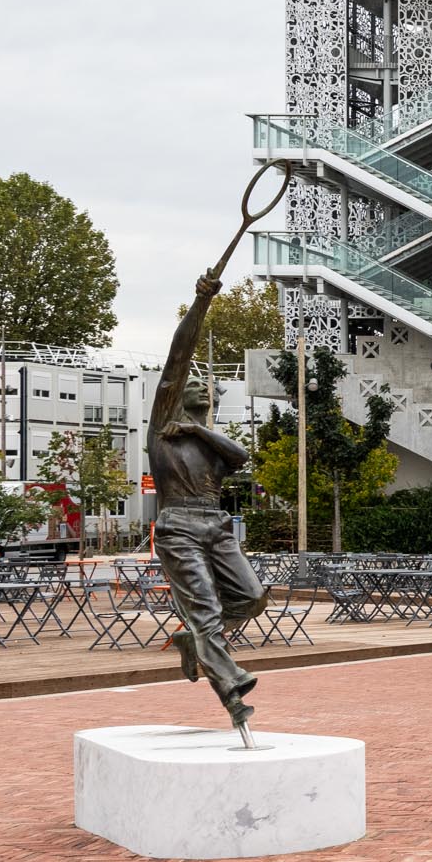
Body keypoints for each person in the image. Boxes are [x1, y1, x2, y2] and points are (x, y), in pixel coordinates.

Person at [146, 273, 263, 734]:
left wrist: (197, 430)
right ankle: (231, 686)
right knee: (206, 612)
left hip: (217, 524)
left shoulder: (211, 443)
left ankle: (194, 643)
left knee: (251, 597)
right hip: (178, 524)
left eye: (205, 386)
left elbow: (240, 456)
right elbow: (179, 355)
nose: (198, 386)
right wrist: (201, 302)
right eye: (191, 385)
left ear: (212, 400)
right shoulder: (162, 428)